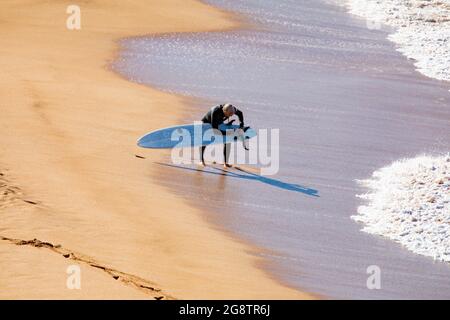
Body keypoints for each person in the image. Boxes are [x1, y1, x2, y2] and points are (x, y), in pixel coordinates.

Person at [200, 103, 244, 168]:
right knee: (206, 140)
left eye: (231, 115)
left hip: (219, 122)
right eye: (229, 115)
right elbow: (215, 130)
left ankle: (225, 163)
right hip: (207, 122)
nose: (230, 116)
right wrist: (227, 133)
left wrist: (241, 124)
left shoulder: (232, 108)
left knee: (227, 141)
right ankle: (201, 160)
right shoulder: (215, 111)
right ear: (224, 111)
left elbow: (240, 113)